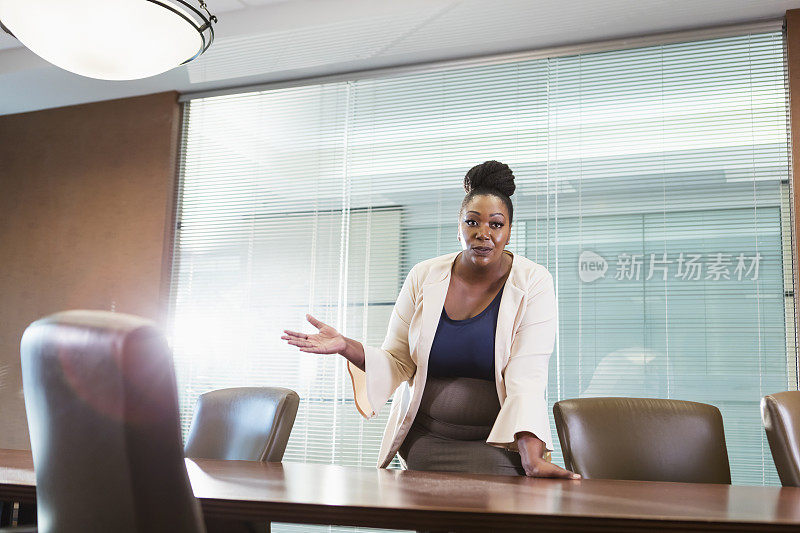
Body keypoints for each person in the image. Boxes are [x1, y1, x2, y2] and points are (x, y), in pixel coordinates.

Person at [282, 161, 579, 479]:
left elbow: (527, 375)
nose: (483, 234)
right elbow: (397, 361)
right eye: (472, 222)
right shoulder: (424, 276)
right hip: (426, 442)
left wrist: (532, 459)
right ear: (459, 226)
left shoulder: (533, 281)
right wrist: (346, 346)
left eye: (495, 224)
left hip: (496, 447)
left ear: (508, 230)